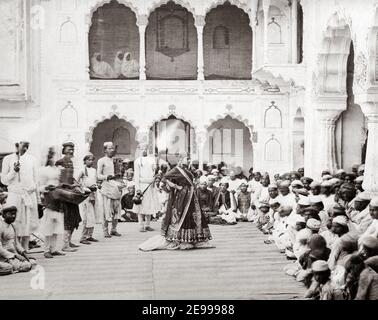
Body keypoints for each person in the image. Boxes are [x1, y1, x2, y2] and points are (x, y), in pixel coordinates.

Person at [139, 162, 213, 251]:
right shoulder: (188, 173)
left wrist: (174, 185)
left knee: (182, 216)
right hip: (191, 196)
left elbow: (166, 179)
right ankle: (190, 239)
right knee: (191, 216)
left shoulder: (176, 171)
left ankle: (183, 239)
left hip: (183, 196)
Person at [1, 140, 39, 252]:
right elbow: (4, 180)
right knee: (15, 222)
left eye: (28, 146)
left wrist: (38, 199)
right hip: (15, 195)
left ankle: (25, 250)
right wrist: (14, 171)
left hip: (28, 195)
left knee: (27, 224)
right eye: (23, 145)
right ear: (16, 145)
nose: (25, 148)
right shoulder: (8, 159)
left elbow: (36, 181)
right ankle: (14, 250)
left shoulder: (32, 159)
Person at [55, 141, 83, 252]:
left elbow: (70, 178)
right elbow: (57, 179)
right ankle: (64, 245)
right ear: (64, 150)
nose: (71, 151)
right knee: (67, 219)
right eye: (69, 149)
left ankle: (69, 241)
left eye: (72, 149)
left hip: (71, 195)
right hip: (63, 194)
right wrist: (70, 185)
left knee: (74, 218)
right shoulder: (60, 162)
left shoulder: (70, 162)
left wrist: (76, 182)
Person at [38, 148, 65, 258]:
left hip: (58, 197)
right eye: (51, 156)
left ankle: (54, 248)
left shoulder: (59, 170)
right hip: (49, 197)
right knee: (49, 224)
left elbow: (62, 182)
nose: (53, 159)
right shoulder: (43, 170)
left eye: (55, 156)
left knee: (57, 223)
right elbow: (39, 186)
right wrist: (46, 187)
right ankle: (46, 249)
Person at [97, 142, 123, 238]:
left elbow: (119, 173)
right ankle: (105, 231)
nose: (112, 150)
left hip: (116, 186)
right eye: (109, 148)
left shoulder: (116, 160)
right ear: (105, 150)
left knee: (116, 209)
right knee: (106, 209)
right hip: (106, 186)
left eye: (113, 148)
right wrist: (106, 177)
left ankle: (114, 229)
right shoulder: (101, 160)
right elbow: (98, 175)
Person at [0, 206, 36, 274]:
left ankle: (11, 267)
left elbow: (17, 244)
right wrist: (15, 256)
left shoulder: (13, 226)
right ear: (4, 215)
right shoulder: (1, 226)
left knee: (33, 263)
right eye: (10, 214)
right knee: (11, 267)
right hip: (4, 256)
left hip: (13, 255)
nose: (13, 216)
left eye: (14, 214)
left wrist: (24, 255)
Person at [76, 154, 99, 245]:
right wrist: (85, 188)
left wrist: (96, 186)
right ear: (85, 161)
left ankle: (90, 235)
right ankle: (83, 237)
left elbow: (95, 181)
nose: (91, 161)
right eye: (88, 160)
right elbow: (76, 182)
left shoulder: (94, 170)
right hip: (85, 195)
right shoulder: (82, 170)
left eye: (92, 160)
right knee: (86, 216)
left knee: (92, 215)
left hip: (93, 194)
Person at [134, 144, 158, 232]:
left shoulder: (152, 159)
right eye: (142, 149)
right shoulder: (137, 161)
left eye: (145, 148)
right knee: (140, 205)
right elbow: (136, 176)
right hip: (141, 185)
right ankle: (141, 225)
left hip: (150, 185)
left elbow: (153, 171)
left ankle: (148, 224)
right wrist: (137, 189)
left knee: (150, 205)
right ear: (139, 149)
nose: (144, 150)